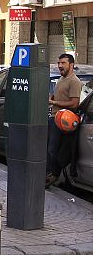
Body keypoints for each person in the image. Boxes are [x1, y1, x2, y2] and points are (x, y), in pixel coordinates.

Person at [46, 53, 82, 187]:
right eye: (59, 63)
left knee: (53, 150)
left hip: (63, 121)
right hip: (54, 118)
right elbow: (59, 98)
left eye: (63, 63)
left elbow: (74, 103)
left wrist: (54, 102)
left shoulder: (74, 81)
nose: (60, 65)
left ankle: (52, 176)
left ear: (71, 65)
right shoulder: (61, 79)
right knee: (49, 149)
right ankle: (50, 175)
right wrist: (52, 99)